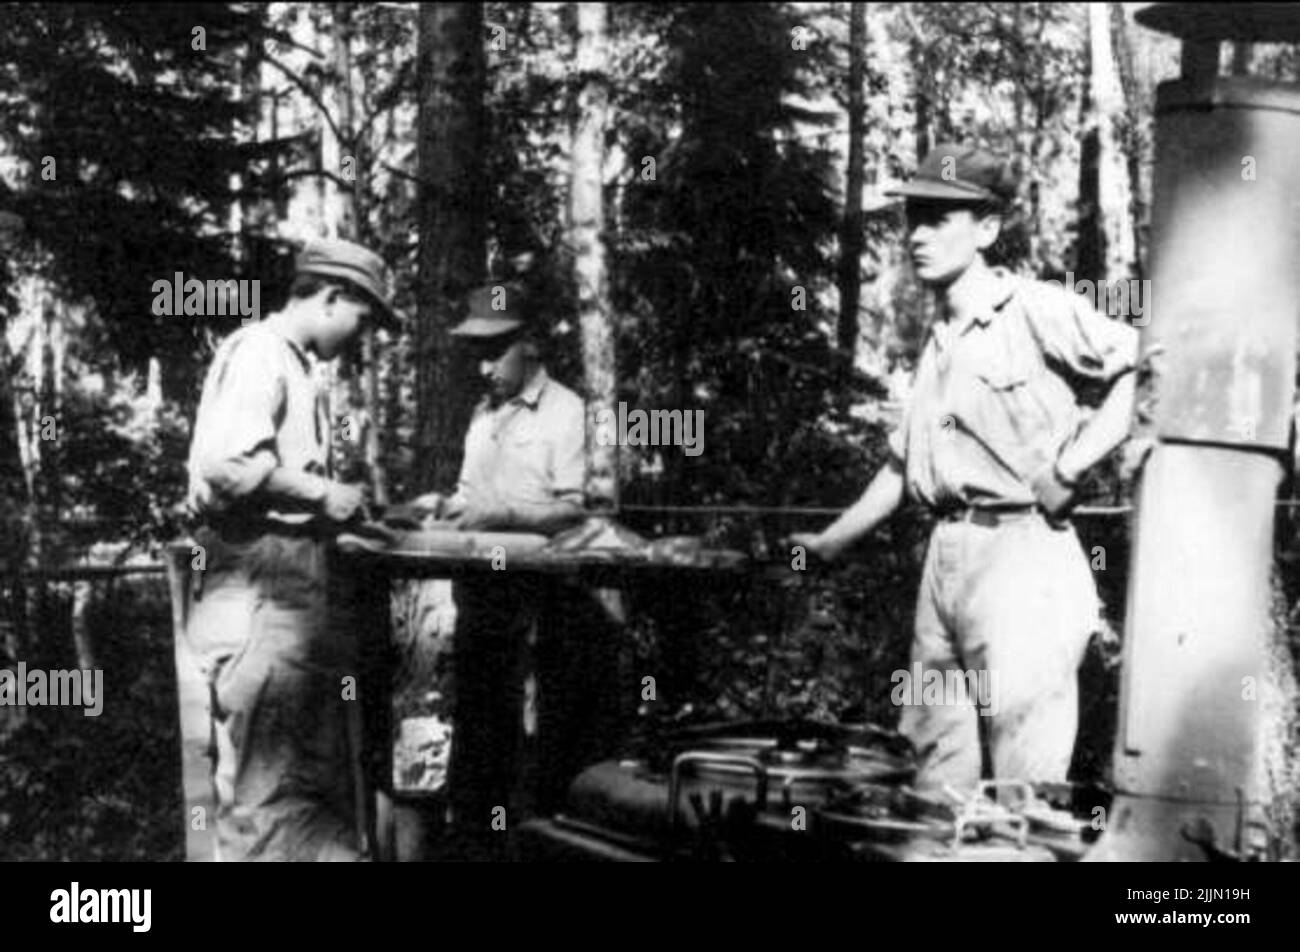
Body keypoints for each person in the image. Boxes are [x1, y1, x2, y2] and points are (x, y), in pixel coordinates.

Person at [791, 143, 1139, 793]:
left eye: (939, 218)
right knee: (930, 779)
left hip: (1023, 563)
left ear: (987, 229)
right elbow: (902, 464)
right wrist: (828, 543)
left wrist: (1074, 464)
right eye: (913, 217)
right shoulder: (937, 340)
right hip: (944, 565)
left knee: (1020, 792)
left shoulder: (1036, 309)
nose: (918, 234)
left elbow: (1142, 369)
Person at [184, 238, 400, 860]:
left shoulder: (293, 363)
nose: (362, 336)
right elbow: (227, 467)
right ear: (333, 297)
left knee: (304, 785)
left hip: (286, 573)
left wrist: (350, 517)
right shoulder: (261, 353)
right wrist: (321, 492)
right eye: (362, 319)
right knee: (274, 790)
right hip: (263, 580)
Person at [414, 282, 612, 858]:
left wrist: (502, 514)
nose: (483, 366)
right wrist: (446, 508)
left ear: (529, 346)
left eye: (494, 351)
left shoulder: (569, 413)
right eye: (476, 353)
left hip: (544, 606)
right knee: (479, 729)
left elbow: (578, 508)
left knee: (538, 735)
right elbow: (468, 494)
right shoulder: (484, 415)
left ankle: (536, 839)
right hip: (479, 600)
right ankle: (475, 841)